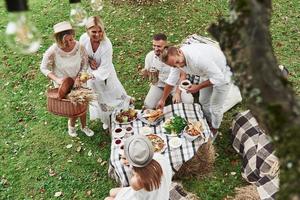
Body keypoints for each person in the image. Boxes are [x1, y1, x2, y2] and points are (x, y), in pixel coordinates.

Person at [157, 44, 232, 135]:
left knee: (216, 108)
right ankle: (209, 121)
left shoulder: (198, 59)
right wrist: (162, 100)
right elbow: (171, 80)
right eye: (174, 66)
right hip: (206, 73)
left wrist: (198, 87)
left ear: (180, 52)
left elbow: (218, 78)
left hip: (223, 75)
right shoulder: (176, 61)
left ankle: (215, 128)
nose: (178, 66)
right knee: (203, 101)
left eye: (177, 62)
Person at [40, 21, 94, 137]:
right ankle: (72, 125)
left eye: (71, 39)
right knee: (72, 106)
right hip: (63, 84)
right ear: (59, 40)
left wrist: (79, 77)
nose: (70, 43)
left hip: (78, 81)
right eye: (65, 41)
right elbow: (43, 68)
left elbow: (85, 64)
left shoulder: (79, 46)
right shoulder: (53, 51)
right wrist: (57, 80)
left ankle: (84, 126)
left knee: (83, 103)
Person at [79, 16, 131, 129]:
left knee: (111, 96)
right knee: (99, 98)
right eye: (93, 32)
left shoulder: (107, 45)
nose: (97, 35)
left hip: (105, 75)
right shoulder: (83, 39)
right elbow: (82, 55)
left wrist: (90, 75)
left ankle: (119, 113)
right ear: (87, 31)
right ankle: (106, 119)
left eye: (100, 31)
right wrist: (88, 60)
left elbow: (105, 68)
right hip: (90, 76)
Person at [105, 135, 172, 200]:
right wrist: (132, 160)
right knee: (112, 191)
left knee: (107, 198)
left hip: (142, 197)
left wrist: (131, 161)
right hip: (162, 194)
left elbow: (134, 195)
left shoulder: (136, 181)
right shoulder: (161, 158)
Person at [141, 33, 193, 109]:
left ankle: (170, 96)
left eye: (159, 46)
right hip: (159, 85)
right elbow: (148, 74)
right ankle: (164, 96)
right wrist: (146, 73)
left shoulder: (173, 56)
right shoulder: (150, 56)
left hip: (176, 85)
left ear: (165, 45)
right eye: (154, 45)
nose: (155, 48)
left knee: (188, 101)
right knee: (148, 105)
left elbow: (183, 75)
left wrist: (178, 93)